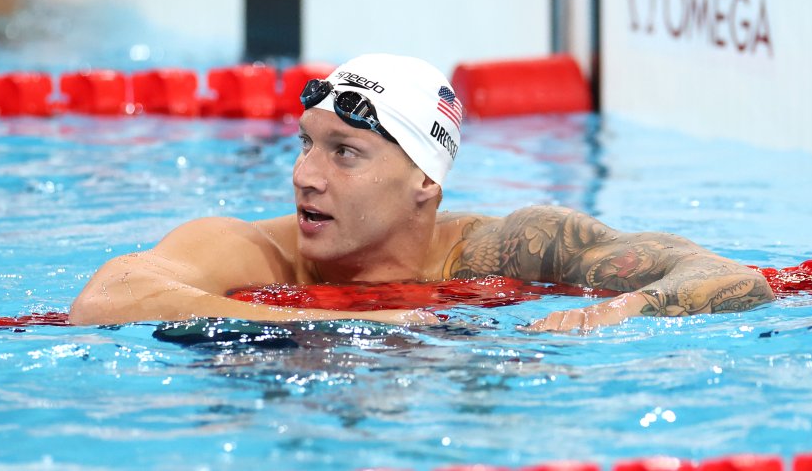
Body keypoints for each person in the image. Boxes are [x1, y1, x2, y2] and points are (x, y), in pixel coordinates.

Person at [70, 54, 774, 332]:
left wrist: (614, 314)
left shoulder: (510, 248)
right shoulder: (249, 251)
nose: (305, 175)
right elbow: (103, 303)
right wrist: (352, 327)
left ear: (424, 182)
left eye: (344, 152)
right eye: (305, 143)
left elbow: (732, 278)